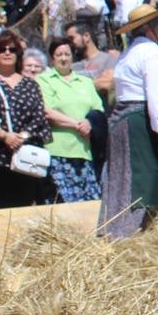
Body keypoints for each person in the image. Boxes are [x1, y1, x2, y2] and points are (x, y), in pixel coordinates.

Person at [100, 5, 158, 238]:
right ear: (149, 27)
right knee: (142, 180)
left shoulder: (128, 53)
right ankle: (130, 234)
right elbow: (155, 98)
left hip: (120, 120)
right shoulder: (152, 53)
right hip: (138, 121)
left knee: (120, 179)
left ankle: (113, 231)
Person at [0, 30, 53, 207]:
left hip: (26, 154)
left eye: (12, 49)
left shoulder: (30, 84)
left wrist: (21, 137)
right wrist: (5, 136)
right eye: (2, 49)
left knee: (26, 203)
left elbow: (39, 116)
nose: (7, 52)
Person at [37, 37, 104, 203]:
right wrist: (77, 124)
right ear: (52, 58)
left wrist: (89, 123)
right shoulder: (44, 80)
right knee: (64, 202)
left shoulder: (86, 82)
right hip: (57, 150)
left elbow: (98, 110)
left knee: (90, 200)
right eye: (59, 54)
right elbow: (47, 112)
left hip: (84, 150)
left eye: (67, 54)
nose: (63, 58)